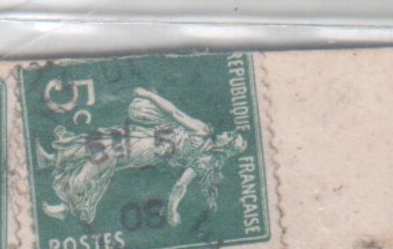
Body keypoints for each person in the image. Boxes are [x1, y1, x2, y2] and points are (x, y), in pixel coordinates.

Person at [35, 86, 247, 228]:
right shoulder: (205, 135)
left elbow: (181, 184)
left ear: (226, 146)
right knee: (101, 141)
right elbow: (174, 116)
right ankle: (53, 159)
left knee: (102, 157)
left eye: (230, 136)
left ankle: (69, 206)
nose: (226, 133)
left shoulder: (205, 150)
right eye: (230, 133)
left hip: (148, 148)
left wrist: (148, 94)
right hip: (146, 136)